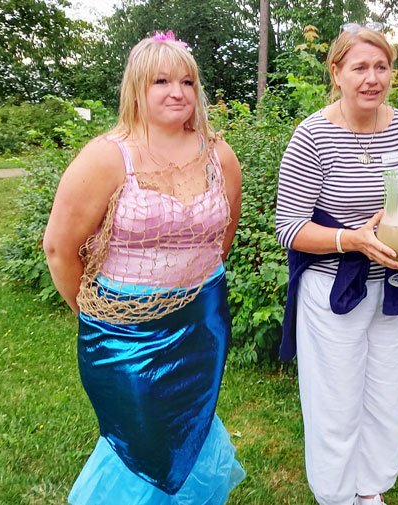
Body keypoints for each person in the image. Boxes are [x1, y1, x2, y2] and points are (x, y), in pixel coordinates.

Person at [43, 31, 245, 504]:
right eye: (162, 81)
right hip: (124, 336)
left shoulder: (218, 153)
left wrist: (195, 292)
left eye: (187, 82)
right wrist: (98, 315)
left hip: (202, 327)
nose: (177, 92)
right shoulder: (107, 157)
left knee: (192, 430)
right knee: (138, 442)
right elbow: (58, 249)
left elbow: (223, 235)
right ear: (137, 87)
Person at [274, 23, 398, 505]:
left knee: (386, 398)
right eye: (360, 67)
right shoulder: (312, 136)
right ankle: (336, 496)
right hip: (332, 289)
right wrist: (352, 240)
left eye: (381, 67)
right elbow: (290, 227)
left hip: (392, 285)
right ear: (336, 72)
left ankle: (370, 490)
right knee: (335, 404)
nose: (372, 78)